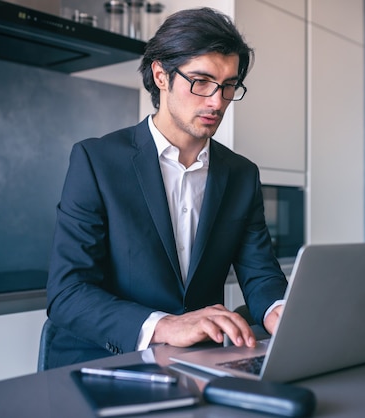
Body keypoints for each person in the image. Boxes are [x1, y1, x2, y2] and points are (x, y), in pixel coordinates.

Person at [45, 7, 289, 368]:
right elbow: (67, 294)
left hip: (199, 364)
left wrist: (278, 311)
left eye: (228, 85)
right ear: (161, 75)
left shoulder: (241, 174)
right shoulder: (96, 161)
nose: (216, 101)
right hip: (105, 365)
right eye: (201, 82)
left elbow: (261, 273)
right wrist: (163, 325)